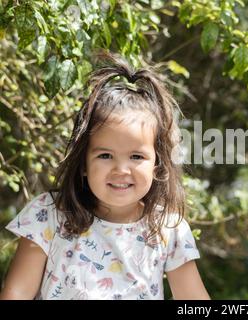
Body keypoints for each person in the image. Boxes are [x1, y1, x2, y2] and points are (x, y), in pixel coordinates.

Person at [0, 52, 209, 300]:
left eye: (136, 157)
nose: (121, 170)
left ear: (158, 165)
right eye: (105, 156)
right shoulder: (49, 215)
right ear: (84, 164)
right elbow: (16, 294)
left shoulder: (167, 228)